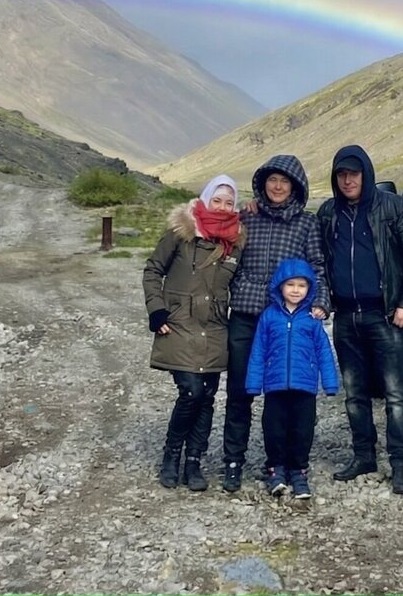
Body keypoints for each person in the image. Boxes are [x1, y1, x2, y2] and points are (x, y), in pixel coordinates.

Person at [317, 144, 403, 495]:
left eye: (354, 173)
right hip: (347, 317)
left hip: (387, 316)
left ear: (366, 172)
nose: (348, 180)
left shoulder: (392, 207)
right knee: (355, 395)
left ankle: (399, 465)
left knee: (396, 394)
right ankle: (363, 455)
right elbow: (318, 259)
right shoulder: (328, 212)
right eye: (341, 174)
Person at [221, 154, 331, 493]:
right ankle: (233, 461)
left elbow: (318, 267)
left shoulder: (306, 224)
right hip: (245, 314)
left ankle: (286, 463)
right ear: (262, 183)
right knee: (240, 390)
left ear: (296, 186)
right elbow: (221, 254)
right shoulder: (246, 219)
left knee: (287, 393)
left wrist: (322, 302)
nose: (278, 186)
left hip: (287, 321)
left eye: (285, 181)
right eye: (272, 180)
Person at [143, 174, 245, 492]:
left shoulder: (237, 242)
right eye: (217, 200)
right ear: (205, 199)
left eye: (230, 202)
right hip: (180, 325)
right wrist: (156, 309)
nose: (223, 207)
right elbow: (152, 270)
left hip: (214, 329)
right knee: (191, 392)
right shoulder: (181, 232)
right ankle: (171, 457)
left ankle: (194, 463)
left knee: (208, 397)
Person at [244, 257, 340, 498]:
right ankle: (275, 468)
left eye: (301, 285)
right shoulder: (268, 316)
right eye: (290, 285)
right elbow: (258, 351)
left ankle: (298, 470)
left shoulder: (312, 319)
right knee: (274, 428)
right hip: (275, 386)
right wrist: (254, 383)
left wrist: (329, 382)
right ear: (280, 287)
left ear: (309, 289)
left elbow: (324, 352)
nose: (296, 290)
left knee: (302, 429)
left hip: (304, 386)